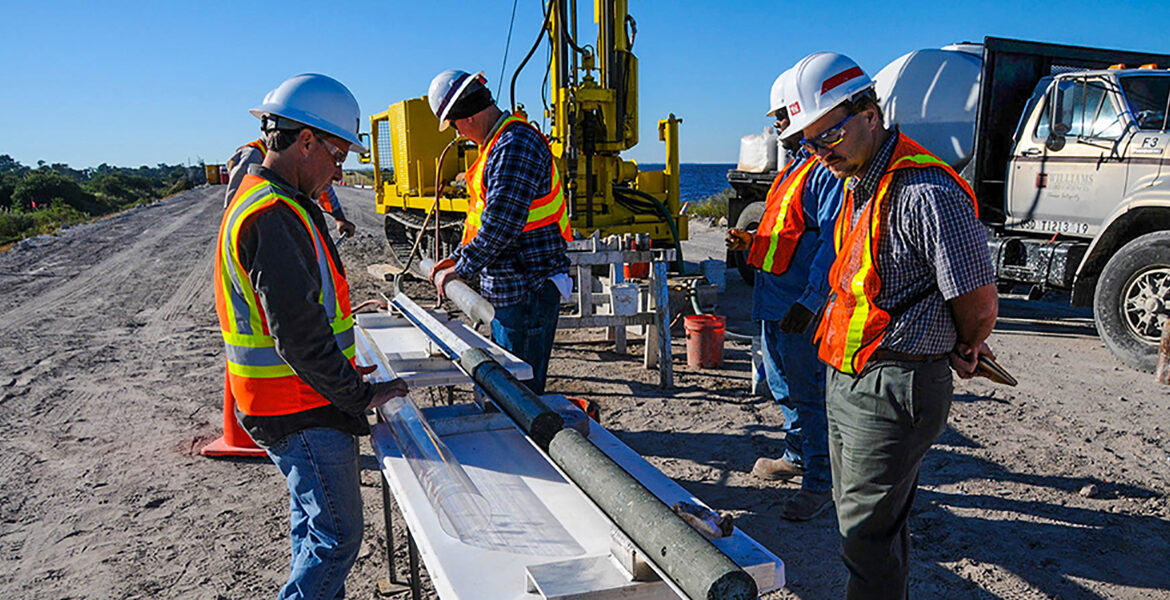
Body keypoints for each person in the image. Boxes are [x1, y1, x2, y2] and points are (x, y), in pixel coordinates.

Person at [782, 53, 998, 598]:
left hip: (892, 382)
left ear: (870, 115)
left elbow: (977, 302)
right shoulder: (859, 182)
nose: (821, 152)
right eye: (809, 142)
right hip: (853, 375)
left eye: (830, 134)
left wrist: (969, 342)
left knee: (866, 538)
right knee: (871, 523)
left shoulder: (926, 192)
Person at [215, 73, 408, 600]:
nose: (340, 169)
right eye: (338, 153)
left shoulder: (273, 197)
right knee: (337, 538)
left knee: (312, 528)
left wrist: (344, 374)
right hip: (299, 406)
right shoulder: (273, 215)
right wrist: (359, 394)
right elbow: (298, 336)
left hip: (290, 399)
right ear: (305, 141)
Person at [726, 67, 843, 521]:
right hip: (775, 300)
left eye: (782, 116)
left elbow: (832, 242)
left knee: (809, 394)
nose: (776, 124)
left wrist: (811, 301)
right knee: (784, 388)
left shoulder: (826, 172)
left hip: (799, 305)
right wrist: (751, 243)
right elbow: (789, 234)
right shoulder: (795, 167)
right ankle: (797, 456)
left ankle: (820, 482)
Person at [425, 69, 572, 395]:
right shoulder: (496, 145)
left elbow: (501, 224)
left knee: (520, 394)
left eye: (456, 126)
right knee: (509, 389)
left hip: (527, 289)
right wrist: (456, 259)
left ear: (468, 116)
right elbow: (484, 220)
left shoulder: (514, 144)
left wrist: (461, 267)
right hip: (512, 289)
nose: (459, 134)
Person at [225, 137, 356, 238]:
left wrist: (339, 218)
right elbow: (236, 207)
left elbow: (325, 189)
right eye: (336, 158)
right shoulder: (252, 155)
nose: (338, 175)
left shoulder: (296, 157)